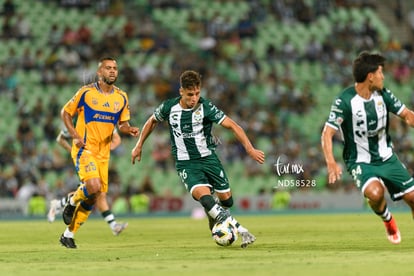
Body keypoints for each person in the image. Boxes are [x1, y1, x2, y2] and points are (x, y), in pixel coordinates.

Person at [131, 70, 265, 248]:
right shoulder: (169, 107)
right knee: (205, 198)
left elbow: (233, 125)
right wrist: (139, 144)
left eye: (196, 94)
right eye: (189, 94)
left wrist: (250, 148)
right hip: (186, 163)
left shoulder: (206, 107)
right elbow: (151, 121)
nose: (194, 98)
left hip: (209, 159)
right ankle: (234, 229)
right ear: (181, 92)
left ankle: (217, 220)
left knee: (226, 201)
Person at [321, 51, 414, 245]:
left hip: (387, 157)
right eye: (381, 73)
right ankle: (387, 218)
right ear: (370, 77)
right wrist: (331, 162)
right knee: (375, 192)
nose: (383, 77)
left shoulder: (384, 94)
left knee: (413, 197)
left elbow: (406, 114)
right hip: (360, 161)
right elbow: (327, 133)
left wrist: (410, 118)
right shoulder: (344, 101)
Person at [59, 57, 139, 249]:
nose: (112, 71)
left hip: (104, 154)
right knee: (93, 186)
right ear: (99, 72)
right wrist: (75, 135)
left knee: (93, 197)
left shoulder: (121, 97)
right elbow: (65, 113)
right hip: (84, 149)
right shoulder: (85, 93)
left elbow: (122, 124)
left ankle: (68, 235)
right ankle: (71, 200)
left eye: (115, 68)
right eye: (108, 68)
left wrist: (129, 130)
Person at [48, 127, 124, 239]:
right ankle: (113, 225)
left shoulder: (103, 119)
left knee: (93, 192)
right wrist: (74, 151)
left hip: (98, 161)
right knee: (94, 191)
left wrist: (106, 148)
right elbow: (60, 139)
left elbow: (117, 138)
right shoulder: (76, 122)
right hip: (84, 161)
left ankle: (59, 204)